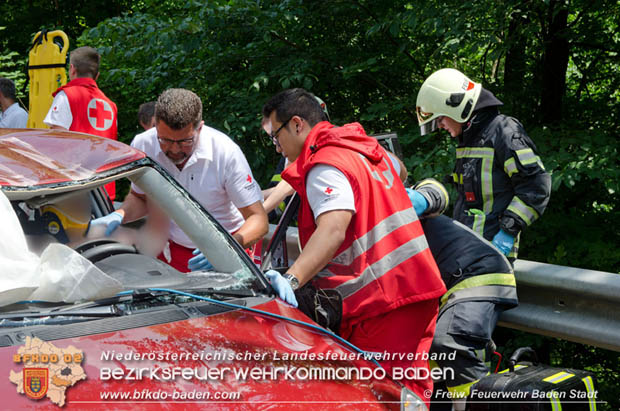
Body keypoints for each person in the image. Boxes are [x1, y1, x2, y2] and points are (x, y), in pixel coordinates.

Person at [261, 88, 446, 404]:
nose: (276, 146)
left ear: (296, 124)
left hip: (379, 301)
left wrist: (291, 280)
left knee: (374, 396)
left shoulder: (324, 164)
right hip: (415, 289)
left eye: (274, 136)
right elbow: (399, 169)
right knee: (408, 391)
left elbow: (333, 229)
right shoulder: (361, 147)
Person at [90, 88, 268, 272]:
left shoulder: (225, 153)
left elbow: (258, 219)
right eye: (165, 140)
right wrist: (119, 215)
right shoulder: (143, 145)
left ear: (200, 127)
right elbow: (141, 197)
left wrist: (228, 248)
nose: (174, 150)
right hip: (174, 249)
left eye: (185, 141)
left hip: (230, 243)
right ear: (155, 126)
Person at [415, 68, 551, 260]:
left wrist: (508, 231)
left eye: (440, 118)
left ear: (457, 106)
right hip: (468, 249)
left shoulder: (503, 131)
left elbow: (536, 186)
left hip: (493, 253)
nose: (440, 126)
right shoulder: (470, 139)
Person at [409, 179, 518, 409]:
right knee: (422, 354)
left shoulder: (397, 205)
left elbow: (435, 189)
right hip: (453, 281)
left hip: (479, 272)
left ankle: (479, 405)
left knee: (449, 343)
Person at [43, 46, 118, 200]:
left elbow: (56, 141)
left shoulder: (67, 96)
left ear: (72, 69)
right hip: (104, 189)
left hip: (73, 189)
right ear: (97, 75)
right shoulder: (111, 105)